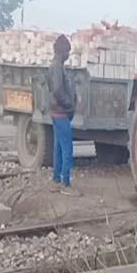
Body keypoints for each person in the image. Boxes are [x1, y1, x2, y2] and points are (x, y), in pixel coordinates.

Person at [48, 35, 79, 196]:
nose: (68, 54)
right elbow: (58, 90)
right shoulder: (57, 67)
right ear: (62, 51)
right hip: (61, 113)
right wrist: (69, 104)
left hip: (56, 112)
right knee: (67, 149)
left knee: (58, 148)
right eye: (67, 51)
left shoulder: (55, 65)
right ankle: (66, 184)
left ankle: (56, 181)